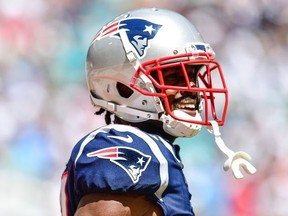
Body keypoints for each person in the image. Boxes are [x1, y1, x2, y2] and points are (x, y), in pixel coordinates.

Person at [60, 8, 256, 216]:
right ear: (123, 86)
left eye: (192, 76)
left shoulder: (153, 147)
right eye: (173, 77)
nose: (190, 89)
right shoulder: (125, 144)